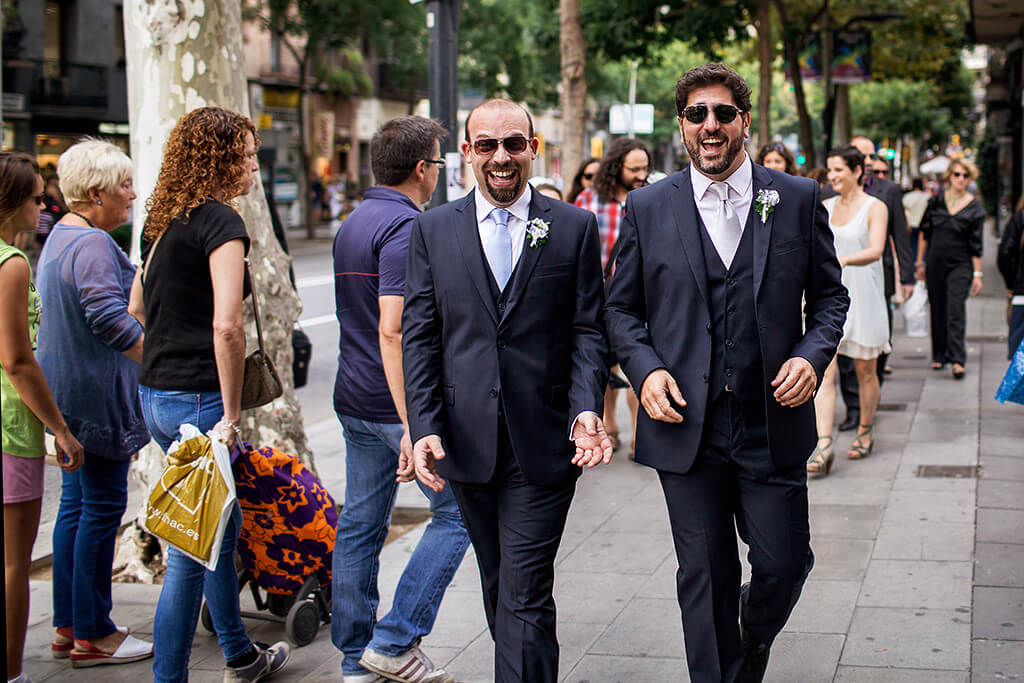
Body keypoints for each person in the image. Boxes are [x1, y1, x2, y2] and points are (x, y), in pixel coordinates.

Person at [604, 63, 849, 682]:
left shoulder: (794, 198)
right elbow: (620, 310)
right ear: (682, 125)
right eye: (696, 114)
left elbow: (830, 300)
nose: (709, 125)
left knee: (784, 564)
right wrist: (645, 369)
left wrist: (811, 355)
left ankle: (752, 629)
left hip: (772, 420)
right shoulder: (648, 206)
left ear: (744, 120)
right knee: (705, 572)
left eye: (721, 113)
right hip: (686, 423)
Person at [403, 99, 611, 682]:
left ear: (533, 148)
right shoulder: (432, 230)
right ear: (466, 153)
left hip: (543, 445)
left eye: (514, 144)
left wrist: (585, 410)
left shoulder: (573, 227)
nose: (502, 157)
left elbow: (588, 330)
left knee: (522, 590)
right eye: (487, 145)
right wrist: (423, 428)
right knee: (503, 588)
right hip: (465, 447)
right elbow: (420, 337)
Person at [130, 106, 290, 682]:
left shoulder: (162, 222)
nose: (254, 164)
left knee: (217, 529)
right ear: (220, 158)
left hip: (156, 396)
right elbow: (228, 326)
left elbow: (136, 310)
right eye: (246, 153)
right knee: (189, 555)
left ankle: (240, 655)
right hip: (200, 403)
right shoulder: (221, 223)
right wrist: (227, 413)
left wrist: (164, 364)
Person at [331, 115, 470, 683]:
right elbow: (393, 329)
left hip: (353, 397)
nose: (439, 174)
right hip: (394, 404)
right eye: (439, 164)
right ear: (422, 169)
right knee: (457, 514)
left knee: (361, 522)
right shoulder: (408, 228)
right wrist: (415, 422)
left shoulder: (353, 221)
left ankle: (353, 657)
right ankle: (393, 640)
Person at [36, 139, 153, 666]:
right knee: (102, 509)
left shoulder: (61, 236)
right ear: (97, 192)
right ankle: (93, 633)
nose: (132, 195)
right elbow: (108, 318)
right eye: (125, 185)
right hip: (94, 397)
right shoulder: (94, 246)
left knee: (76, 508)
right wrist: (158, 358)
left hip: (65, 396)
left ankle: (69, 623)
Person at [0, 151, 85, 683]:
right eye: (37, 198)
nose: (45, 206)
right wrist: (59, 427)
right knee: (13, 563)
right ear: (11, 202)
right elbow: (16, 360)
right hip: (11, 425)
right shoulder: (11, 264)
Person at [809, 146, 890, 473]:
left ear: (858, 171)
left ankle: (865, 429)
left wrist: (841, 260)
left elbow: (877, 249)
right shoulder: (824, 206)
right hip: (829, 299)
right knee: (823, 371)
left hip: (865, 296)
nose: (833, 176)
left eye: (839, 170)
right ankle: (823, 443)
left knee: (865, 371)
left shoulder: (876, 207)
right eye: (830, 170)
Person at [574, 138, 650, 454]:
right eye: (634, 169)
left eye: (645, 168)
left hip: (641, 298)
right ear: (617, 167)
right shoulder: (588, 200)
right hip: (599, 298)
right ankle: (609, 424)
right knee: (602, 366)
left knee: (638, 364)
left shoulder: (650, 200)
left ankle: (639, 434)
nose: (641, 175)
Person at [835, 136, 914, 431]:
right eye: (861, 155)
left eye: (870, 155)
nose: (867, 161)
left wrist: (907, 276)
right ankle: (854, 409)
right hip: (843, 284)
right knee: (843, 354)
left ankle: (870, 400)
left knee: (873, 350)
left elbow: (900, 236)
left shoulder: (887, 191)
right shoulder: (833, 192)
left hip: (877, 278)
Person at [916, 158, 986, 379]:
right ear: (949, 176)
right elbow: (924, 232)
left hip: (961, 265)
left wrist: (977, 274)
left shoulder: (975, 207)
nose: (960, 180)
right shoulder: (936, 201)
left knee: (955, 309)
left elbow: (976, 244)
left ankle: (957, 359)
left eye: (965, 176)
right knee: (937, 307)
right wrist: (920, 262)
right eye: (956, 175)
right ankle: (939, 354)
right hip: (936, 262)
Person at [998, 196, 1024, 356]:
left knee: (1019, 360)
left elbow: (1005, 256)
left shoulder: (1020, 217)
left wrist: (1010, 285)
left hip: (1021, 293)